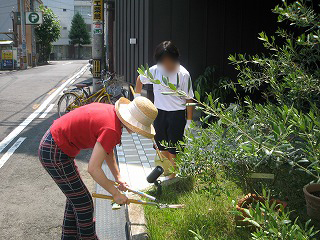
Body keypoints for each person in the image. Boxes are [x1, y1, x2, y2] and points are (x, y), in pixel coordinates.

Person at [38, 97, 158, 240]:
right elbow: (93, 169)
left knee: (76, 200)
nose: (137, 132)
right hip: (54, 152)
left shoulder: (111, 114)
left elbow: (108, 150)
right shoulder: (112, 128)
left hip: (55, 146)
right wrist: (115, 194)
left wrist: (118, 178)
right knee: (84, 204)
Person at [135, 41, 194, 179]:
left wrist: (189, 122)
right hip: (159, 113)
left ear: (175, 59)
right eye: (163, 62)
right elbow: (139, 79)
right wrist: (137, 99)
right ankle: (166, 172)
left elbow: (189, 99)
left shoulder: (184, 74)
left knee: (174, 148)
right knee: (161, 145)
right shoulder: (155, 70)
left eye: (169, 62)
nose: (167, 66)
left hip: (177, 115)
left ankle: (173, 176)